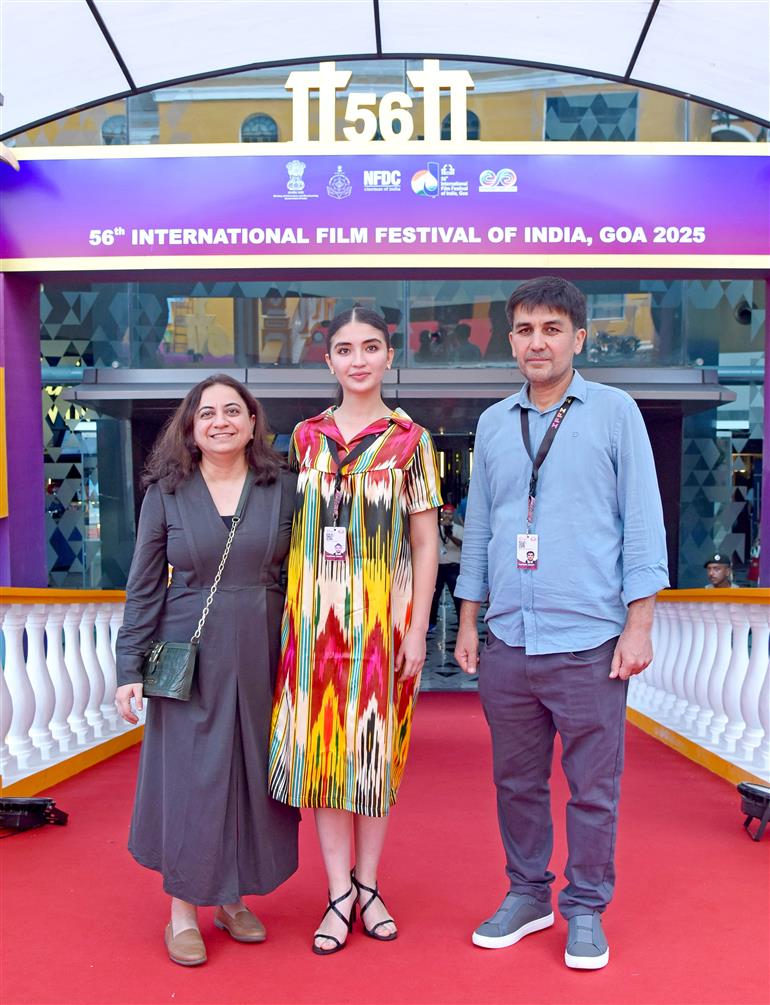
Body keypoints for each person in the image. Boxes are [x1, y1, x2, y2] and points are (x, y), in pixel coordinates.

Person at [454, 276, 668, 971]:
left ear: (579, 337)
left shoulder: (615, 412)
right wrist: (468, 618)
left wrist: (639, 624)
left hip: (589, 642)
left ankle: (585, 907)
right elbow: (482, 528)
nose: (537, 342)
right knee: (515, 783)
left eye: (551, 329)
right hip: (509, 640)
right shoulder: (494, 423)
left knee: (592, 789)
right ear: (510, 340)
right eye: (524, 329)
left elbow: (642, 521)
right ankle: (527, 893)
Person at [268, 307, 441, 954]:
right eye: (345, 349)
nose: (358, 359)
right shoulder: (305, 437)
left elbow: (425, 542)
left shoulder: (411, 440)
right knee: (323, 756)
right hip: (312, 622)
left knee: (372, 754)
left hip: (381, 624)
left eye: (371, 347)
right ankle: (338, 891)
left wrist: (417, 629)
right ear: (329, 361)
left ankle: (369, 885)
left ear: (389, 357)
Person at [114, 374, 299, 967]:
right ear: (191, 428)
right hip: (187, 654)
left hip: (264, 651)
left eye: (232, 411)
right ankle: (182, 911)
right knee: (191, 780)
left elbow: (307, 577)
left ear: (252, 422)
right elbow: (144, 587)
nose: (220, 421)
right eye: (207, 413)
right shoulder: (166, 493)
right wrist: (128, 666)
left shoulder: (284, 488)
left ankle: (231, 898)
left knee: (250, 775)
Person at [429, 503, 464, 631]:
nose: (447, 516)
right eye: (445, 513)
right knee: (433, 597)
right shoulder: (435, 528)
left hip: (453, 567)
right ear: (441, 514)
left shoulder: (459, 529)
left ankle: (462, 624)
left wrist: (450, 535)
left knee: (457, 597)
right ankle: (431, 623)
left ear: (453, 515)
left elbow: (461, 544)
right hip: (438, 567)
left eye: (450, 514)